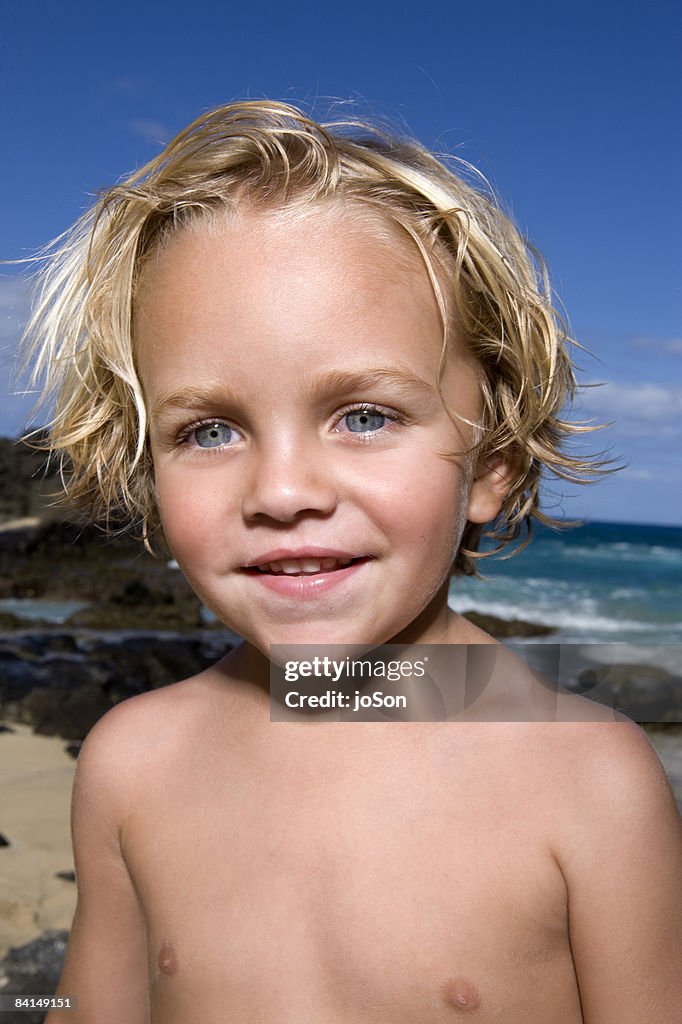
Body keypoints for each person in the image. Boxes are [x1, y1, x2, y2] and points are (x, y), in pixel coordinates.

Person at [23, 101, 680, 1022]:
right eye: (209, 430)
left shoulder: (589, 782)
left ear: (493, 465)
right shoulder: (132, 765)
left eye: (363, 416)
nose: (282, 489)